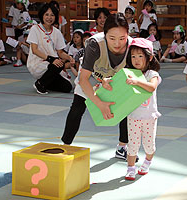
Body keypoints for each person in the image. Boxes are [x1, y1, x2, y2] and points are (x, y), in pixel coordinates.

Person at [61, 13, 135, 161]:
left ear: (128, 34)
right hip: (92, 76)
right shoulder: (95, 44)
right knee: (77, 107)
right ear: (104, 33)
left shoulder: (133, 47)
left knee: (127, 108)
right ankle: (65, 146)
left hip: (114, 78)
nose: (117, 43)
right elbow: (83, 80)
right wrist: (100, 104)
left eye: (122, 38)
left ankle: (122, 147)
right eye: (112, 38)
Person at [124, 38, 161, 180]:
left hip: (149, 116)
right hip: (133, 116)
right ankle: (130, 168)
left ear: (149, 57)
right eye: (133, 56)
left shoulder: (152, 74)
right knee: (132, 145)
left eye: (140, 56)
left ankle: (148, 161)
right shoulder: (129, 73)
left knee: (149, 145)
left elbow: (152, 87)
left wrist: (137, 81)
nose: (136, 59)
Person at [27, 3, 74, 95]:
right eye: (47, 14)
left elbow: (60, 52)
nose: (49, 17)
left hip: (52, 65)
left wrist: (69, 58)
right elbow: (34, 50)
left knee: (67, 87)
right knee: (59, 64)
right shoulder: (35, 29)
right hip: (38, 64)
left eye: (52, 15)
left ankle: (45, 82)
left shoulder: (56, 32)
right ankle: (40, 83)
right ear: (42, 15)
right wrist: (50, 59)